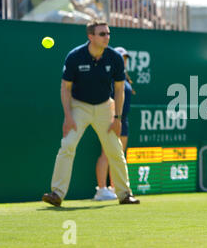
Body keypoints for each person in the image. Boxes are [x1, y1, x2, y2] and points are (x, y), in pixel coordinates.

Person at [42, 19, 140, 206]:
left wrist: (118, 118)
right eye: (102, 34)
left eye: (108, 33)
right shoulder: (75, 56)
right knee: (67, 145)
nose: (107, 37)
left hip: (105, 107)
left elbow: (119, 90)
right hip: (79, 106)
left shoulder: (115, 58)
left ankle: (125, 194)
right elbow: (65, 88)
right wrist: (68, 116)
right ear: (90, 36)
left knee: (115, 149)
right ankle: (57, 193)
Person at [94, 46, 136, 201]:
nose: (123, 61)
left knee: (118, 156)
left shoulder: (123, 77)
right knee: (106, 154)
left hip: (123, 121)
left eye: (125, 59)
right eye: (121, 58)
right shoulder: (108, 75)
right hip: (109, 120)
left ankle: (114, 188)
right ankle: (101, 190)